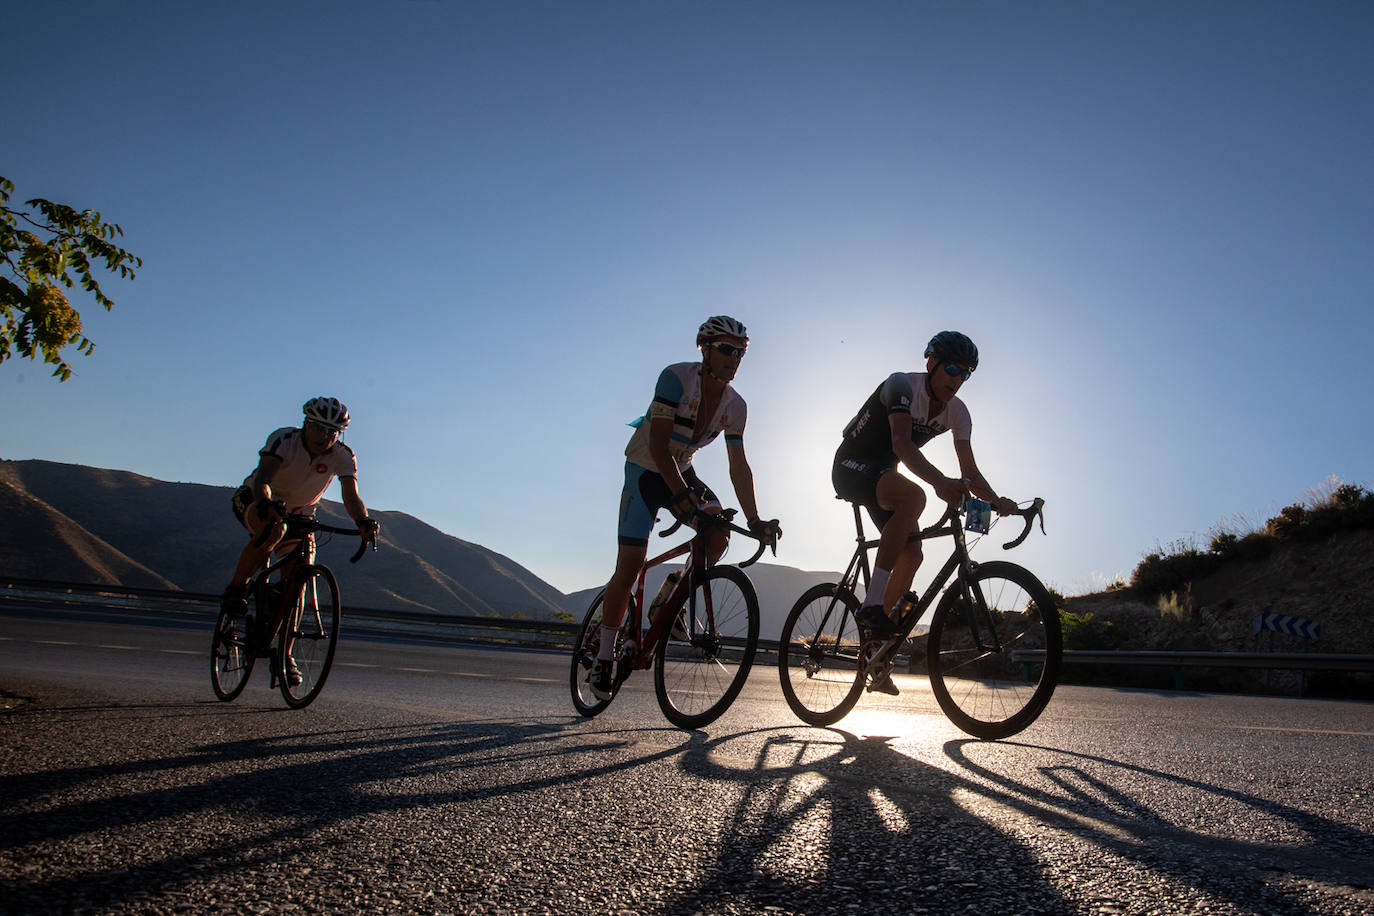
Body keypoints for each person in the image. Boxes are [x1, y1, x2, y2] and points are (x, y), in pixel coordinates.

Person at [589, 316, 780, 700]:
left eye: (740, 353)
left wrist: (756, 518)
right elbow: (659, 446)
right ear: (704, 349)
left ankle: (669, 601)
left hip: (682, 469)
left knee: (717, 534)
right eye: (726, 350)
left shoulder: (736, 406)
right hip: (645, 471)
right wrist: (681, 498)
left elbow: (738, 466)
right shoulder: (676, 378)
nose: (734, 359)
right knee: (628, 567)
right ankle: (605, 655)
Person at [832, 331, 1019, 694]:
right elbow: (901, 443)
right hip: (852, 463)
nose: (957, 379)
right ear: (930, 363)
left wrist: (997, 501)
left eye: (965, 374)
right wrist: (939, 482)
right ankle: (871, 605)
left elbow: (970, 473)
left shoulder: (958, 413)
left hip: (886, 473)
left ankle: (875, 641)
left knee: (913, 553)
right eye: (951, 368)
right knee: (915, 496)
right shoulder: (901, 386)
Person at [220, 397, 380, 683]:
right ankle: (237, 588)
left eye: (333, 432)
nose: (325, 436)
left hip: (300, 513)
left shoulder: (343, 455)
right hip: (258, 499)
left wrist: (363, 521)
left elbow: (350, 495)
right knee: (273, 530)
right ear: (306, 424)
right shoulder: (284, 439)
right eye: (319, 428)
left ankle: (285, 655)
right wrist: (267, 503)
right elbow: (263, 480)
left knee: (298, 583)